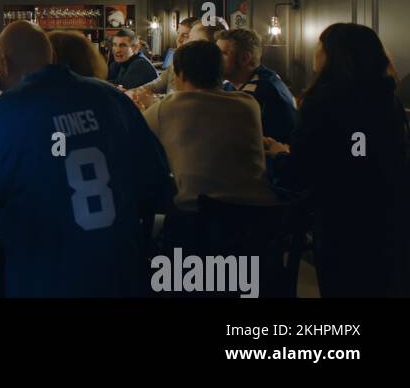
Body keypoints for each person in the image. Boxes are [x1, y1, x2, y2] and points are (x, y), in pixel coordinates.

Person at [0, 21, 174, 297]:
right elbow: (157, 182)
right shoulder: (110, 98)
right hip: (121, 271)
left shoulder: (6, 111)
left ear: (4, 63)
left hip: (44, 277)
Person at [265, 23, 409, 297]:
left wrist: (281, 154)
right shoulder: (388, 98)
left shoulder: (322, 102)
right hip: (390, 212)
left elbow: (303, 172)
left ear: (333, 56)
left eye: (319, 49)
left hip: (341, 217)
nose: (314, 55)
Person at [142, 40, 275, 211]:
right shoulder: (248, 103)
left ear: (180, 75)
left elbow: (133, 139)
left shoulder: (166, 108)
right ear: (221, 72)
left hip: (200, 217)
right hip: (259, 215)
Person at [215, 28, 297, 144]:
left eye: (223, 53)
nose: (215, 59)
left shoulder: (269, 90)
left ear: (245, 58)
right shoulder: (227, 85)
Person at [136, 17, 199, 98]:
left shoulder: (199, 70)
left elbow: (182, 101)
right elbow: (153, 86)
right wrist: (130, 93)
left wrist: (151, 98)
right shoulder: (174, 66)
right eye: (178, 34)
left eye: (185, 35)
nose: (178, 40)